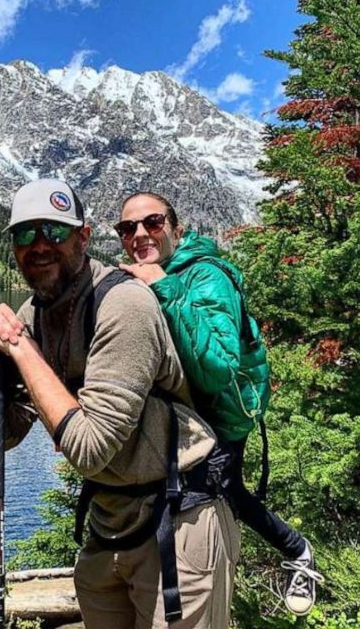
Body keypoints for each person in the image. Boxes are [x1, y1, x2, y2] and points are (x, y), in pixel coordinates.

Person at [0, 178, 239, 628]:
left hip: (180, 516)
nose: (39, 246)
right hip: (108, 522)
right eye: (24, 234)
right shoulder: (32, 315)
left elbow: (91, 447)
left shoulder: (123, 305)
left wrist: (20, 347)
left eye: (55, 232)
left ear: (84, 237)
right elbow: (3, 436)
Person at [115, 192, 324, 617]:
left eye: (152, 223)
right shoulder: (159, 274)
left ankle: (295, 552)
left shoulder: (205, 276)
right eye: (127, 228)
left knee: (215, 494)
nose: (139, 234)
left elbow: (217, 368)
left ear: (176, 229)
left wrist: (164, 288)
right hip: (188, 415)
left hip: (221, 417)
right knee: (218, 493)